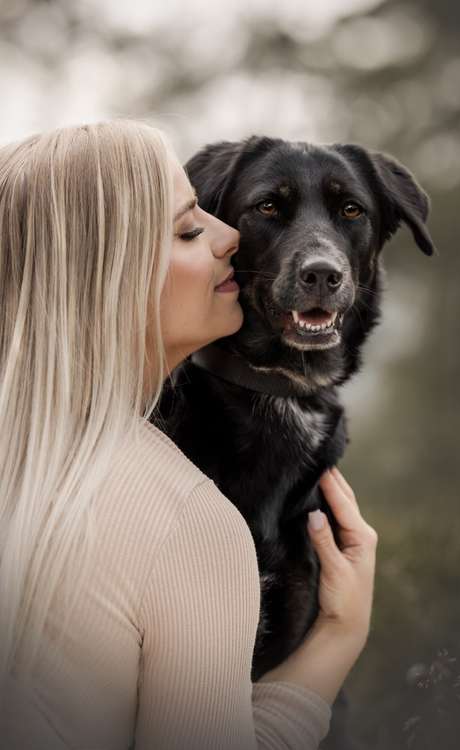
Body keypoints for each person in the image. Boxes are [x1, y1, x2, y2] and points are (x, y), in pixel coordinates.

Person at [0, 119, 378, 750]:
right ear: (110, 279)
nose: (230, 237)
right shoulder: (184, 520)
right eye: (188, 228)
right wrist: (341, 632)